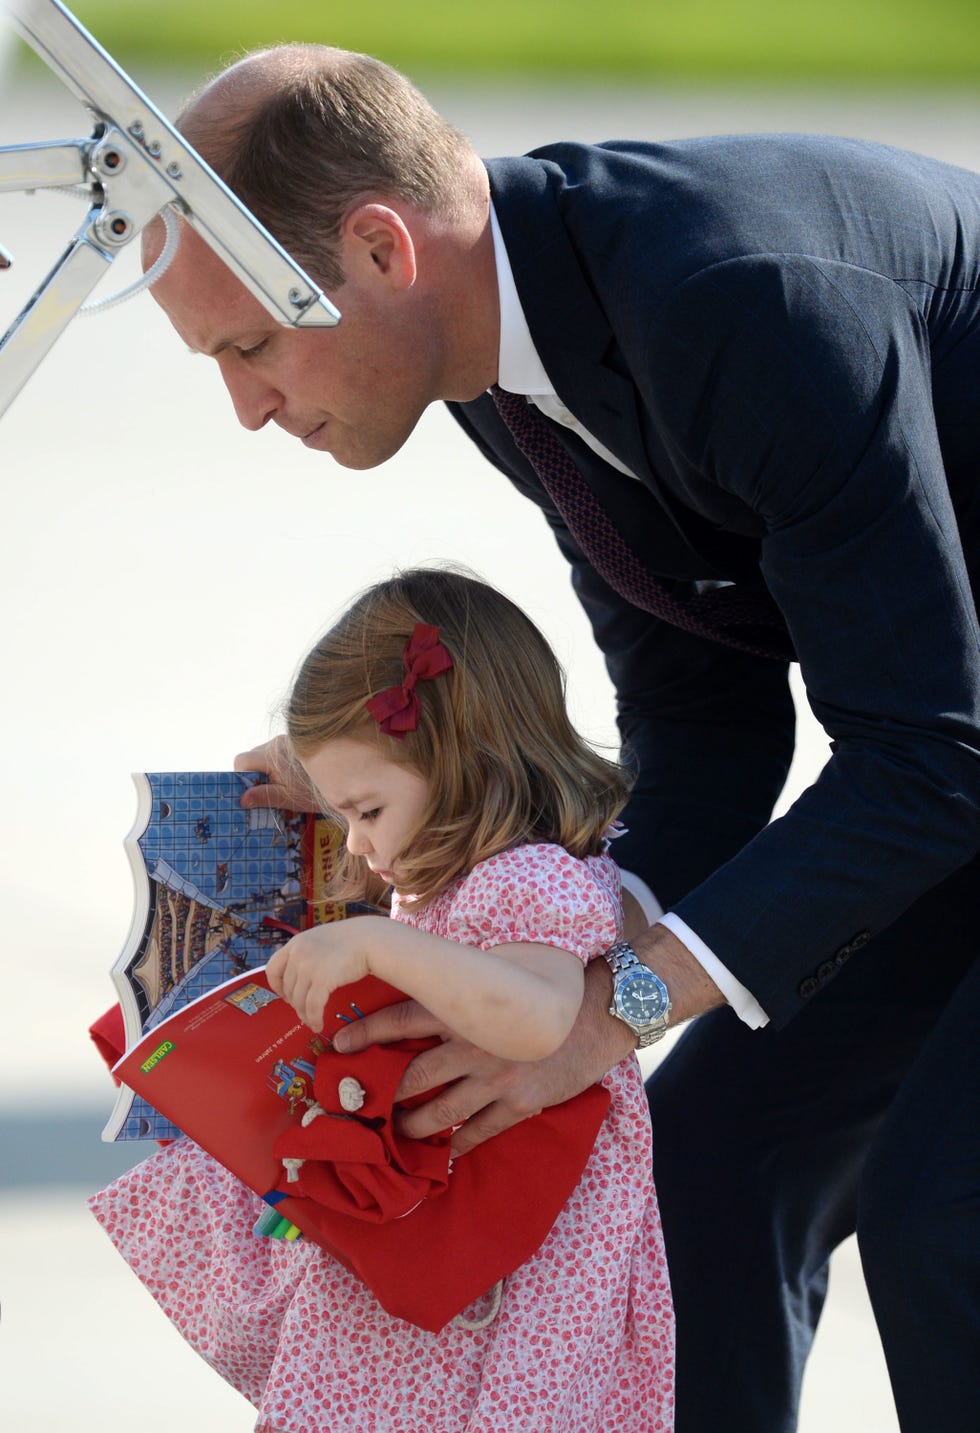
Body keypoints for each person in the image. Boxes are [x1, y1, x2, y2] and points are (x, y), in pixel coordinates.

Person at [145, 44, 980, 1433]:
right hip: (953, 750)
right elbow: (703, 716)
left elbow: (931, 756)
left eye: (249, 344)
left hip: (951, 753)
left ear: (377, 247)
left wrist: (616, 1007)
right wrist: (540, 952)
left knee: (946, 1211)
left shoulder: (729, 301)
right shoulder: (499, 364)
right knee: (706, 1168)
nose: (246, 406)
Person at [89, 567, 675, 1433]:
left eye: (366, 809)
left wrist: (381, 942)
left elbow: (541, 1016)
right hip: (447, 1241)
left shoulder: (536, 877)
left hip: (518, 1273)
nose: (358, 840)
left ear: (461, 762)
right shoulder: (464, 874)